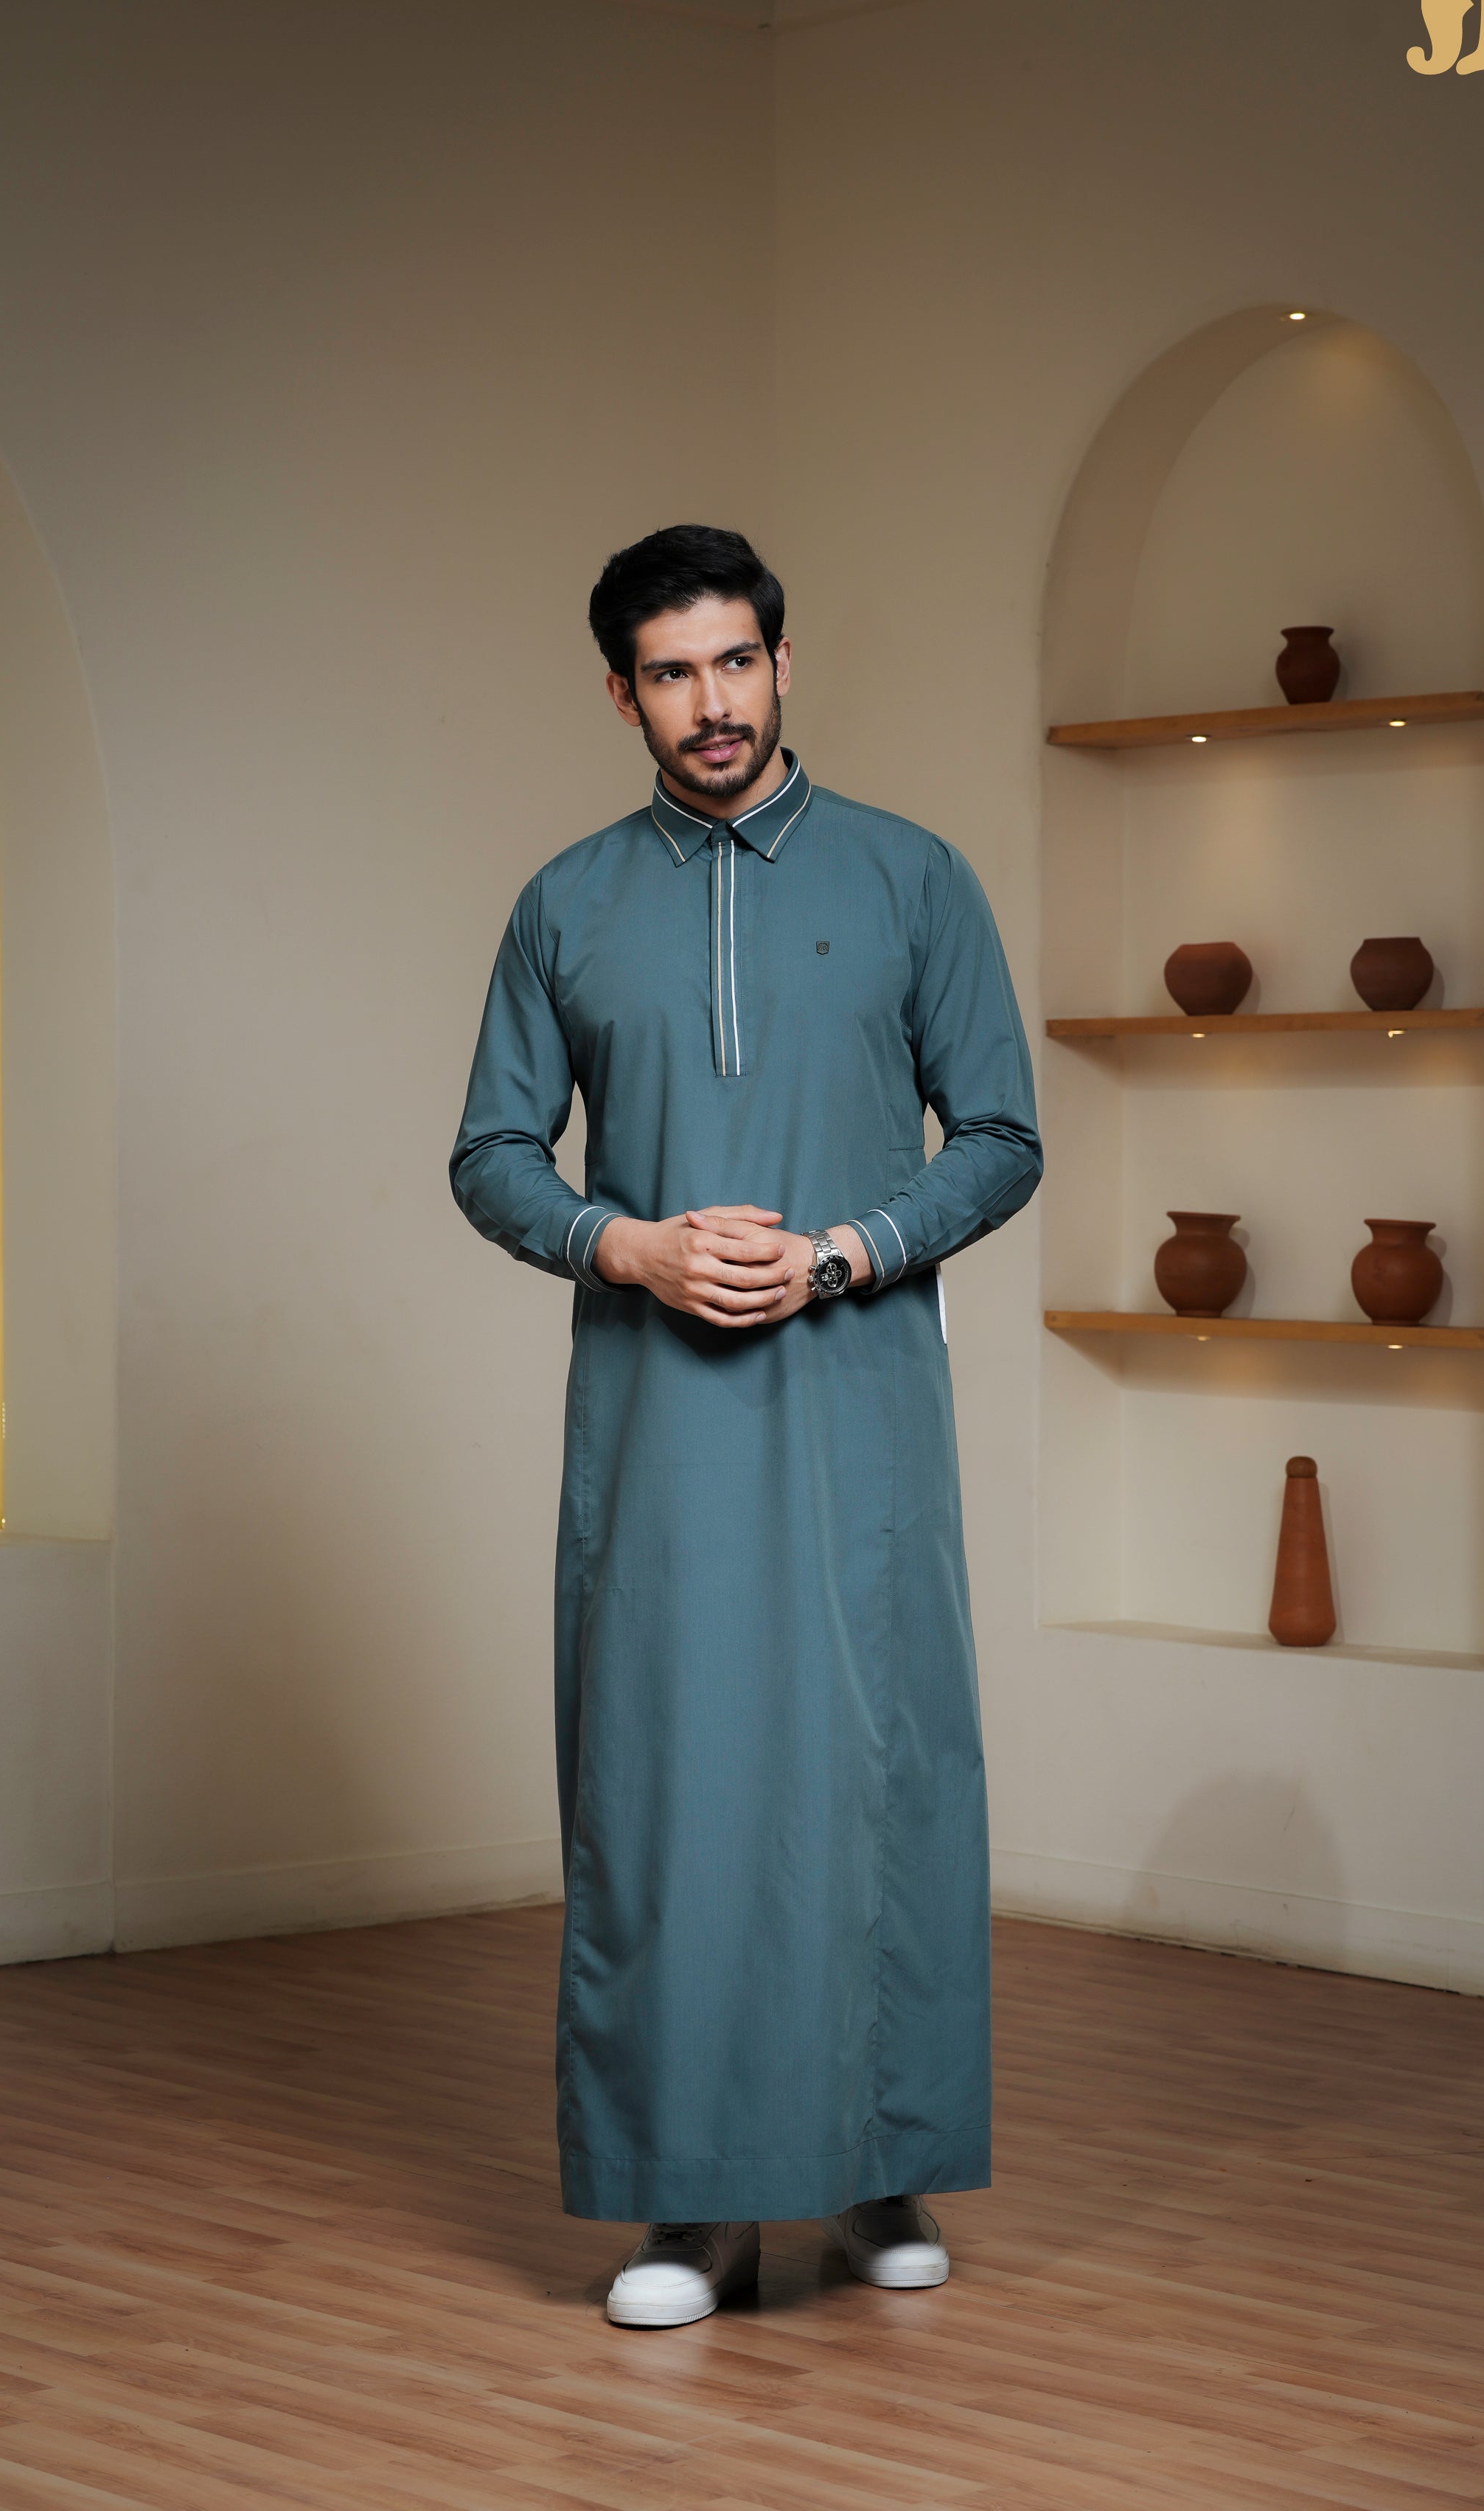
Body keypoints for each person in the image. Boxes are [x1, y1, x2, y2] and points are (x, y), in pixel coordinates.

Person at [450, 524, 1042, 2328]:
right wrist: (621, 1243)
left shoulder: (913, 878)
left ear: (785, 665)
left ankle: (875, 2172)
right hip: (656, 1428)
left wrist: (852, 1250)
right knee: (668, 1789)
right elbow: (491, 1154)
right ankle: (687, 2208)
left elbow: (1002, 1137)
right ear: (620, 692)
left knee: (878, 1776)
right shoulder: (566, 904)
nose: (709, 702)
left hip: (860, 1409)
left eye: (734, 661)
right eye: (670, 672)